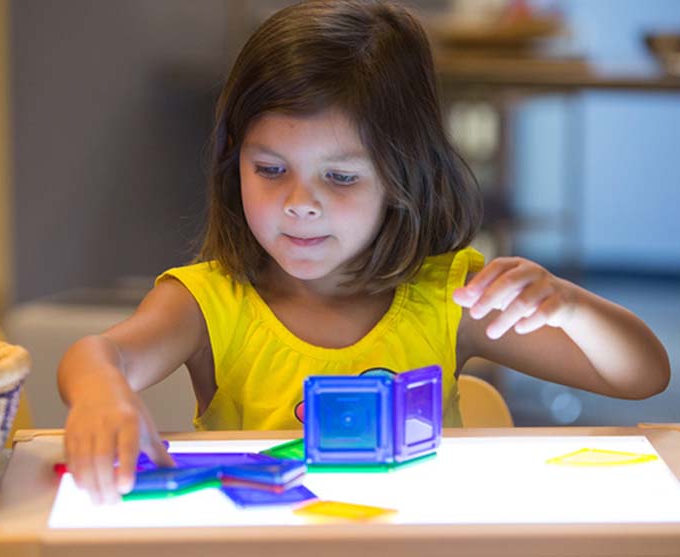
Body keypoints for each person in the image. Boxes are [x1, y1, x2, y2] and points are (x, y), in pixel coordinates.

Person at [58, 0, 670, 504]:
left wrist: (566, 306)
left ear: (402, 177)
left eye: (342, 177)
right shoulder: (205, 303)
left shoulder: (448, 295)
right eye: (270, 168)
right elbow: (96, 354)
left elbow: (643, 375)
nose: (300, 202)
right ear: (232, 162)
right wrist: (102, 391)